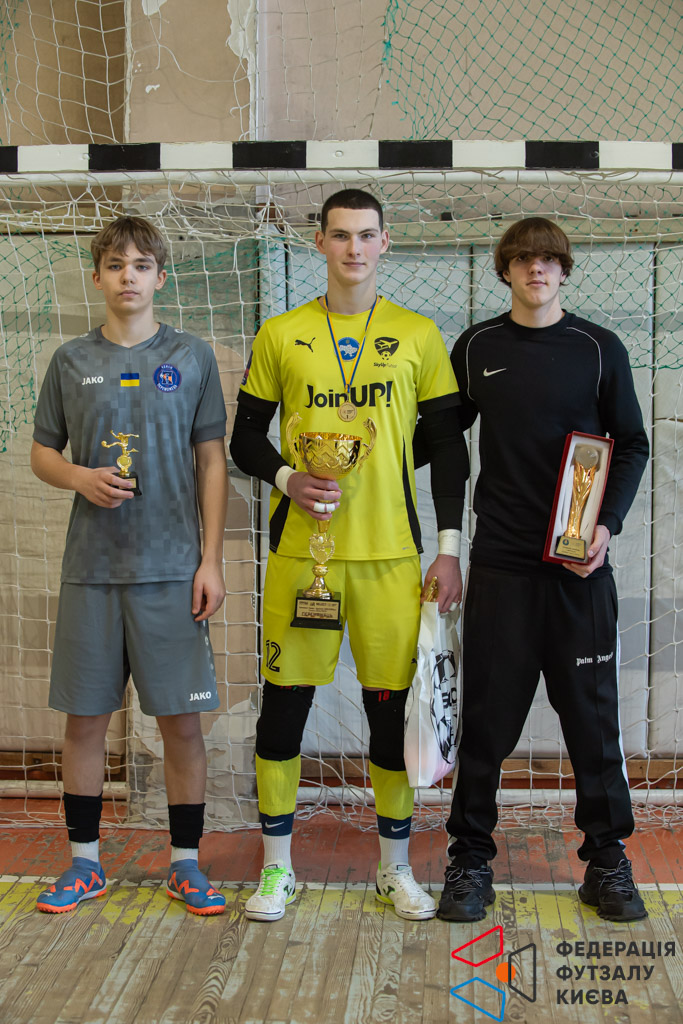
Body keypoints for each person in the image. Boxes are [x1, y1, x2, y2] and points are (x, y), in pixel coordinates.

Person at [230, 188, 468, 922]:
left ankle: (394, 869)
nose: (353, 249)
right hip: (302, 556)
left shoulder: (418, 335)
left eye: (366, 235)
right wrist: (287, 478)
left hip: (390, 559)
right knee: (284, 710)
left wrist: (448, 548)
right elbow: (245, 439)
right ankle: (277, 869)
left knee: (388, 715)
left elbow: (448, 448)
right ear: (320, 243)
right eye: (340, 235)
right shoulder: (281, 333)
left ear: (384, 243)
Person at [433, 217, 649, 923]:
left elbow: (632, 444)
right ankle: (469, 861)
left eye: (549, 259)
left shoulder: (598, 348)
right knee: (486, 726)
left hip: (578, 571)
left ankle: (606, 862)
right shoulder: (476, 347)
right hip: (500, 567)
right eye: (523, 259)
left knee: (592, 723)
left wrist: (605, 527)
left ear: (564, 270)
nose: (536, 269)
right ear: (505, 270)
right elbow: (443, 442)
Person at [31, 216, 228, 916]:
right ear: (97, 276)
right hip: (91, 571)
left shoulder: (191, 357)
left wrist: (210, 561)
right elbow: (42, 453)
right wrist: (78, 477)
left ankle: (185, 864)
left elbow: (211, 462)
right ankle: (84, 864)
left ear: (160, 277)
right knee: (85, 722)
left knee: (181, 725)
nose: (128, 276)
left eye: (141, 265)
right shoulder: (69, 361)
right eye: (115, 265)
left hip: (172, 573)